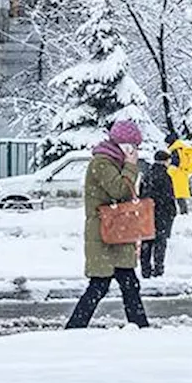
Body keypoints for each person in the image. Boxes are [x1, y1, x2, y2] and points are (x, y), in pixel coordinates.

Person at [65, 120, 150, 329]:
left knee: (129, 284)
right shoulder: (102, 163)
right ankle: (74, 327)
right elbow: (119, 190)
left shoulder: (115, 162)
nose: (136, 151)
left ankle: (140, 326)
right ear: (124, 145)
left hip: (116, 233)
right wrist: (131, 166)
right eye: (134, 146)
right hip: (104, 234)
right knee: (100, 285)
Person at [139, 150, 177, 278]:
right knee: (160, 242)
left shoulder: (146, 174)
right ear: (166, 161)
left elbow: (141, 194)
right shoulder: (165, 176)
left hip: (147, 212)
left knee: (146, 241)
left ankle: (145, 270)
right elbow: (168, 197)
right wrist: (172, 211)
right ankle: (158, 268)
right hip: (162, 213)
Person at [167, 138, 192, 215]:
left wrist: (167, 171)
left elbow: (175, 164)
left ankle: (182, 213)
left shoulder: (176, 150)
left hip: (176, 175)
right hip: (182, 174)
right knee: (180, 195)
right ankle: (184, 212)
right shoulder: (182, 148)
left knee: (176, 195)